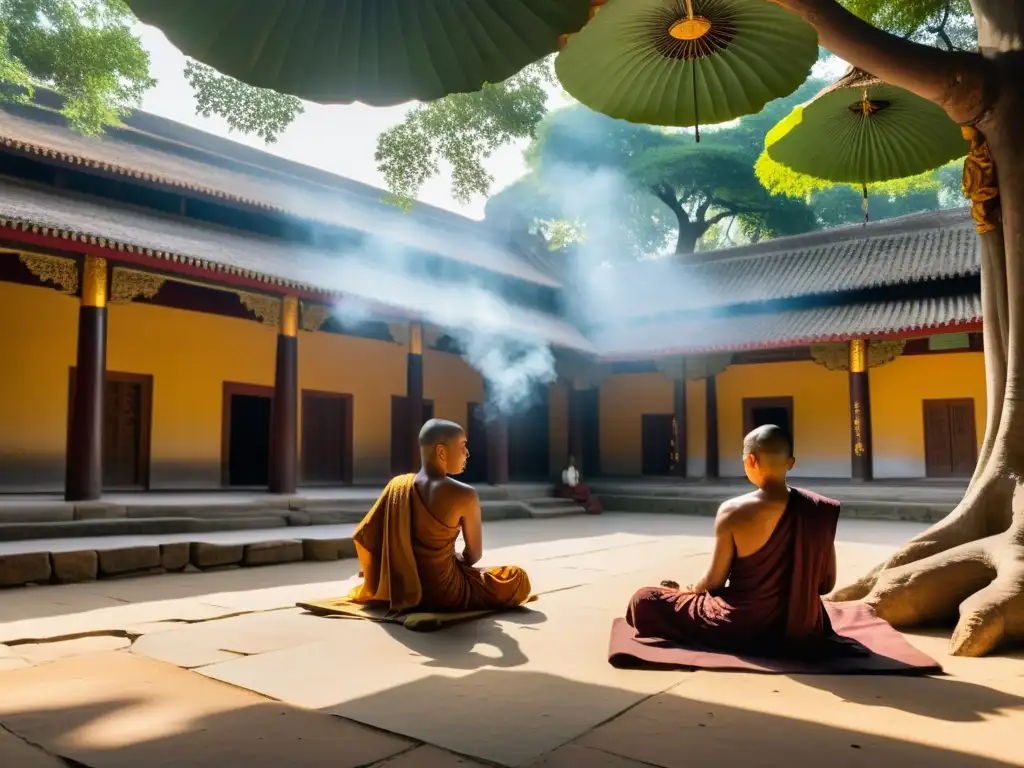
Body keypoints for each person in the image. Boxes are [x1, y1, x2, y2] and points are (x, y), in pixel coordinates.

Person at [625, 424, 841, 655]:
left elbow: (714, 583)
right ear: (791, 462)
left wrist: (689, 591)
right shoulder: (818, 509)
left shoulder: (733, 511)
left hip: (742, 625)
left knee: (644, 599)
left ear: (750, 460)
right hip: (804, 626)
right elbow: (826, 585)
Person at [347, 418, 532, 613]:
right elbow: (474, 555)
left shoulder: (397, 486)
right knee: (517, 578)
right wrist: (455, 562)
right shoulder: (465, 494)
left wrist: (380, 573)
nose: (466, 454)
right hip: (445, 592)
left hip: (401, 588)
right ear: (441, 452)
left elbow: (367, 536)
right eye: (463, 446)